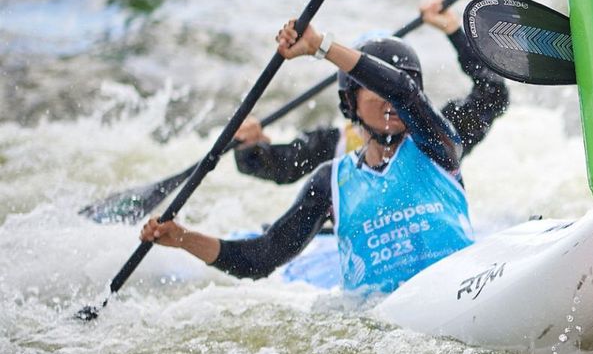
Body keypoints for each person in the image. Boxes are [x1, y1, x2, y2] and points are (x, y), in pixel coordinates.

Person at [140, 18, 477, 293]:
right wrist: (183, 238)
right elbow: (263, 257)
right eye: (373, 90)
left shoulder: (438, 147)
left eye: (396, 90)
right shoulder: (330, 181)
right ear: (351, 103)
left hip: (455, 291)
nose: (389, 101)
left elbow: (402, 90)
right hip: (384, 322)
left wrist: (321, 47)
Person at [232, 0, 509, 185]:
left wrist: (453, 31)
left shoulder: (440, 135)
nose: (389, 96)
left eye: (395, 81)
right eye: (375, 84)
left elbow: (493, 92)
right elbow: (274, 165)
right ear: (351, 100)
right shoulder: (334, 146)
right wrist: (250, 146)